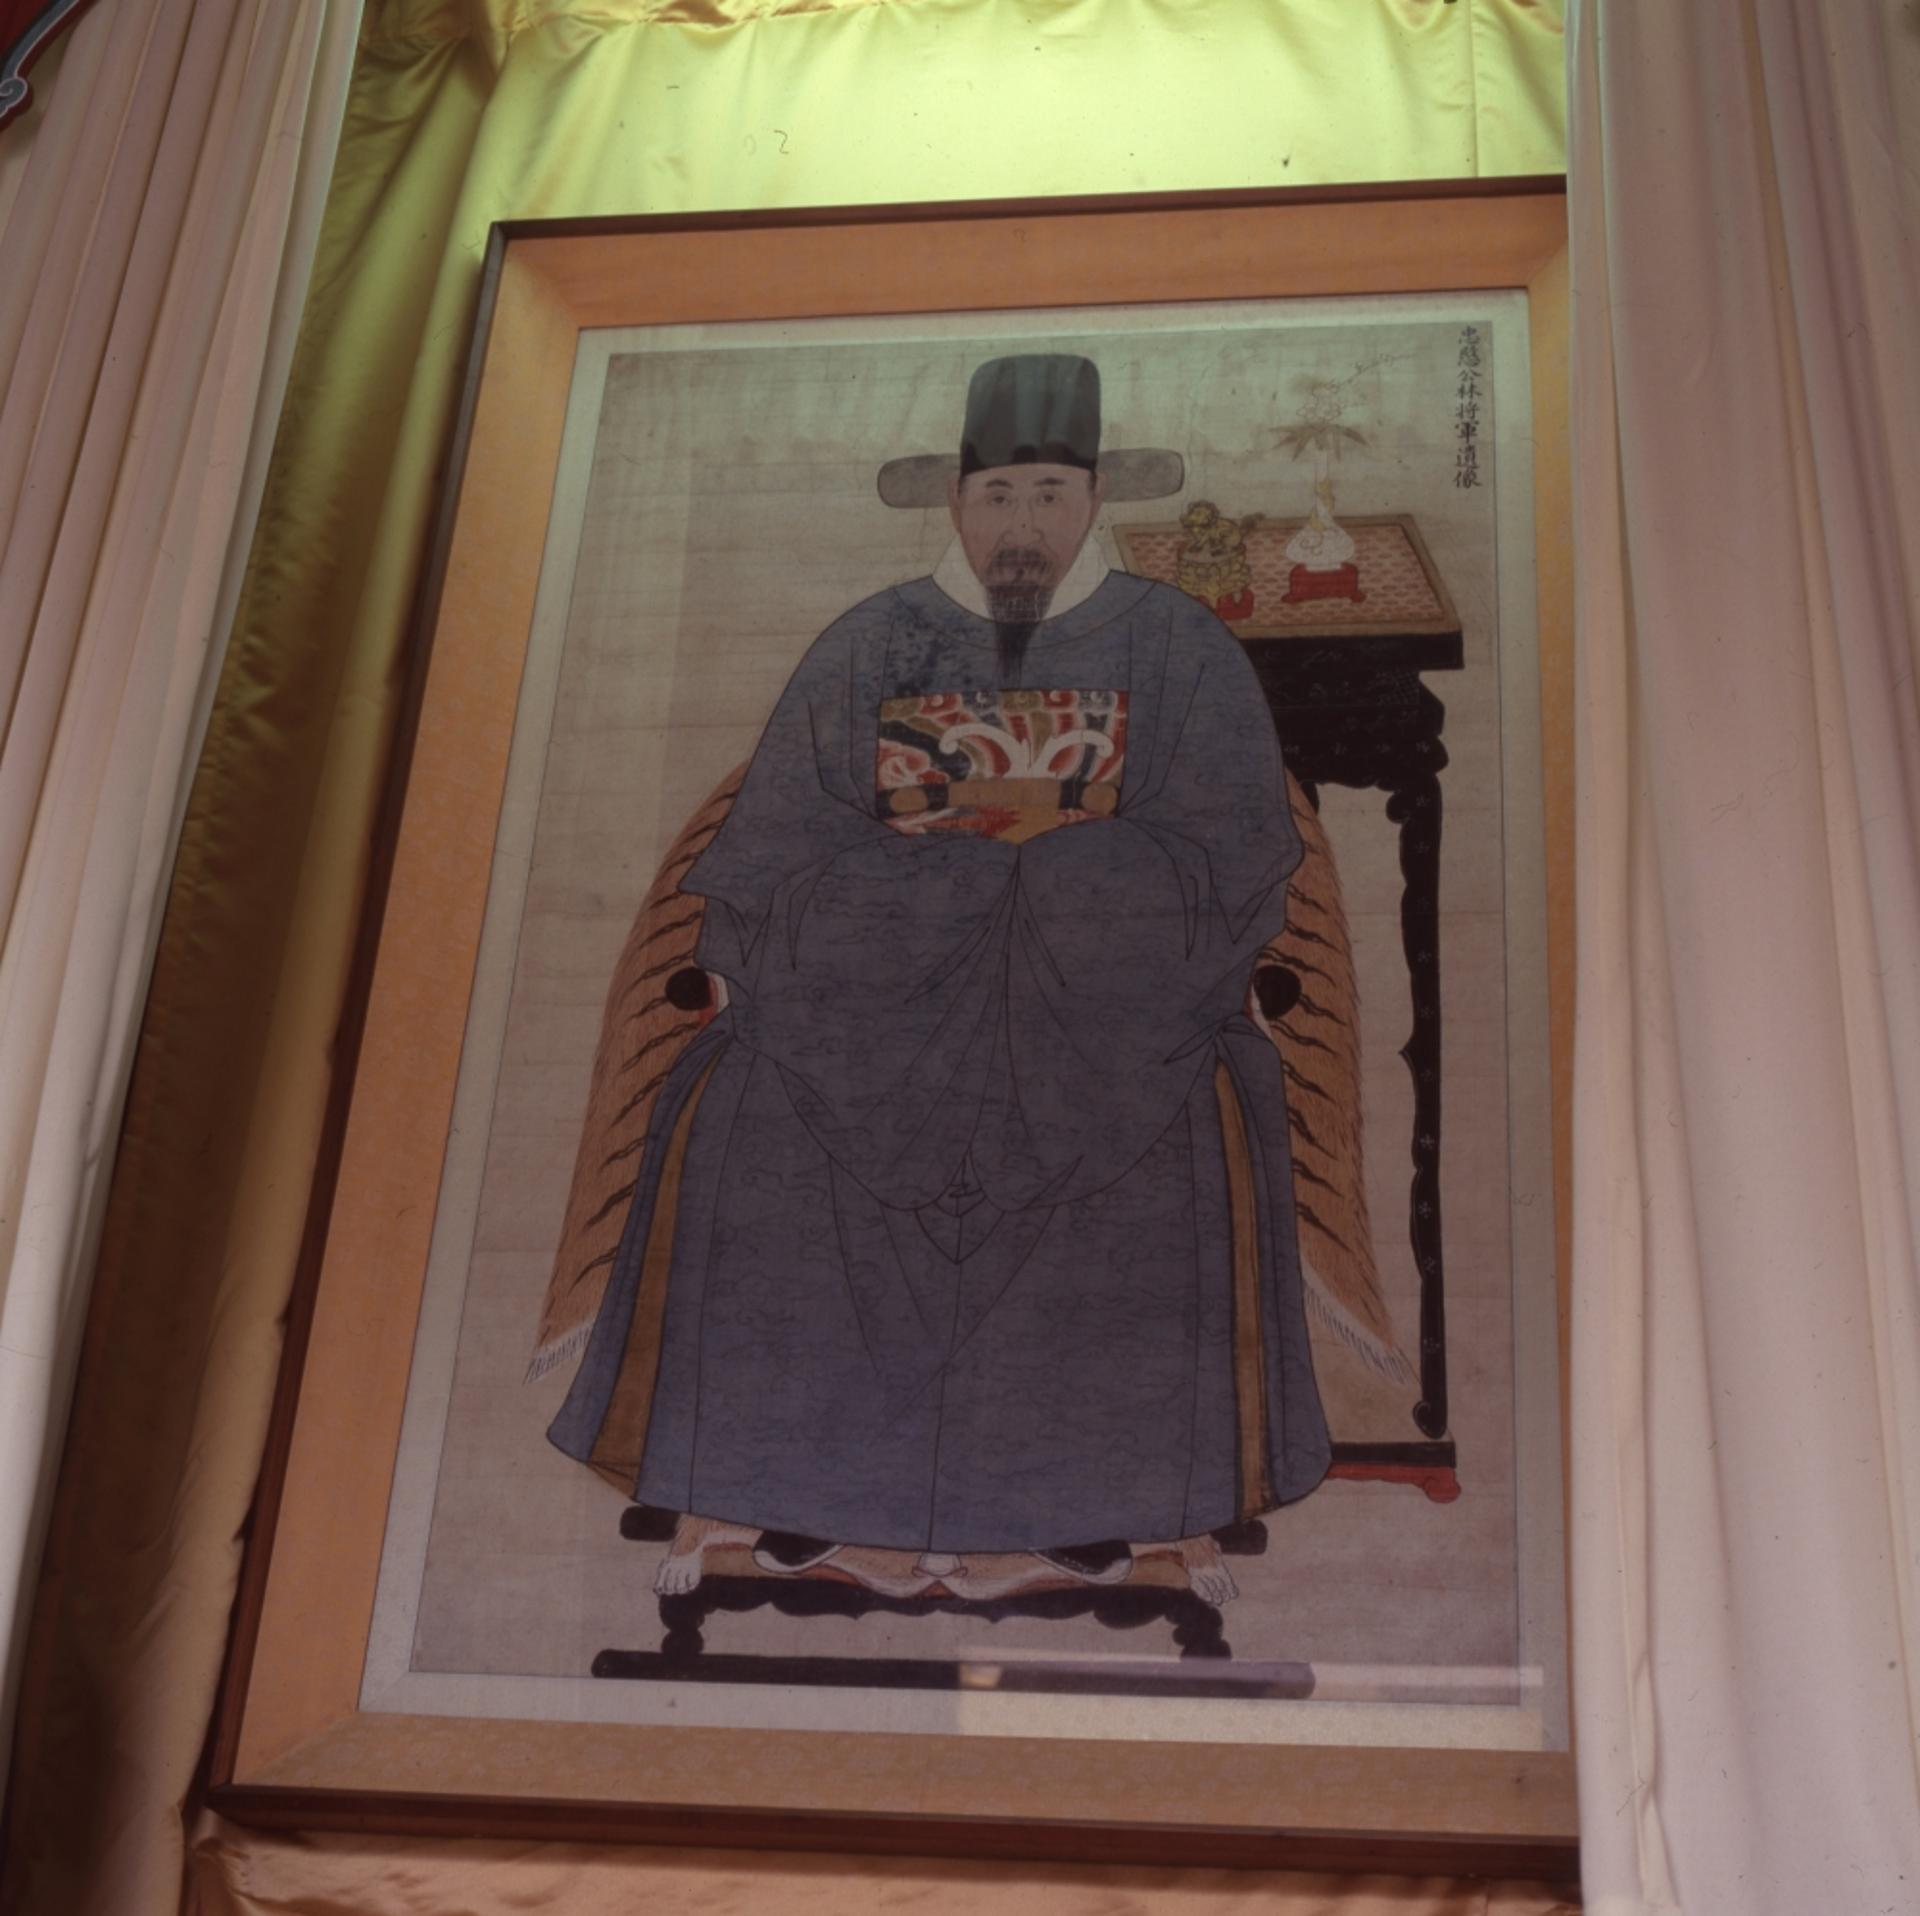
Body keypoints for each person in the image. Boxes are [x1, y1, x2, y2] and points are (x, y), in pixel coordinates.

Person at [547, 353, 1329, 1595]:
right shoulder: (872, 642)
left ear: (1093, 502)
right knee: (747, 1104)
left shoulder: (1179, 645)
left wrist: (1048, 875)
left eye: (1050, 493)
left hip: (1107, 1019)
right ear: (957, 505)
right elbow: (780, 846)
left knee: (1178, 1124)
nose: (1024, 522)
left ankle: (1095, 1504)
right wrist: (946, 886)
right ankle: (798, 1492)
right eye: (999, 494)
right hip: (872, 1011)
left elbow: (1226, 853)